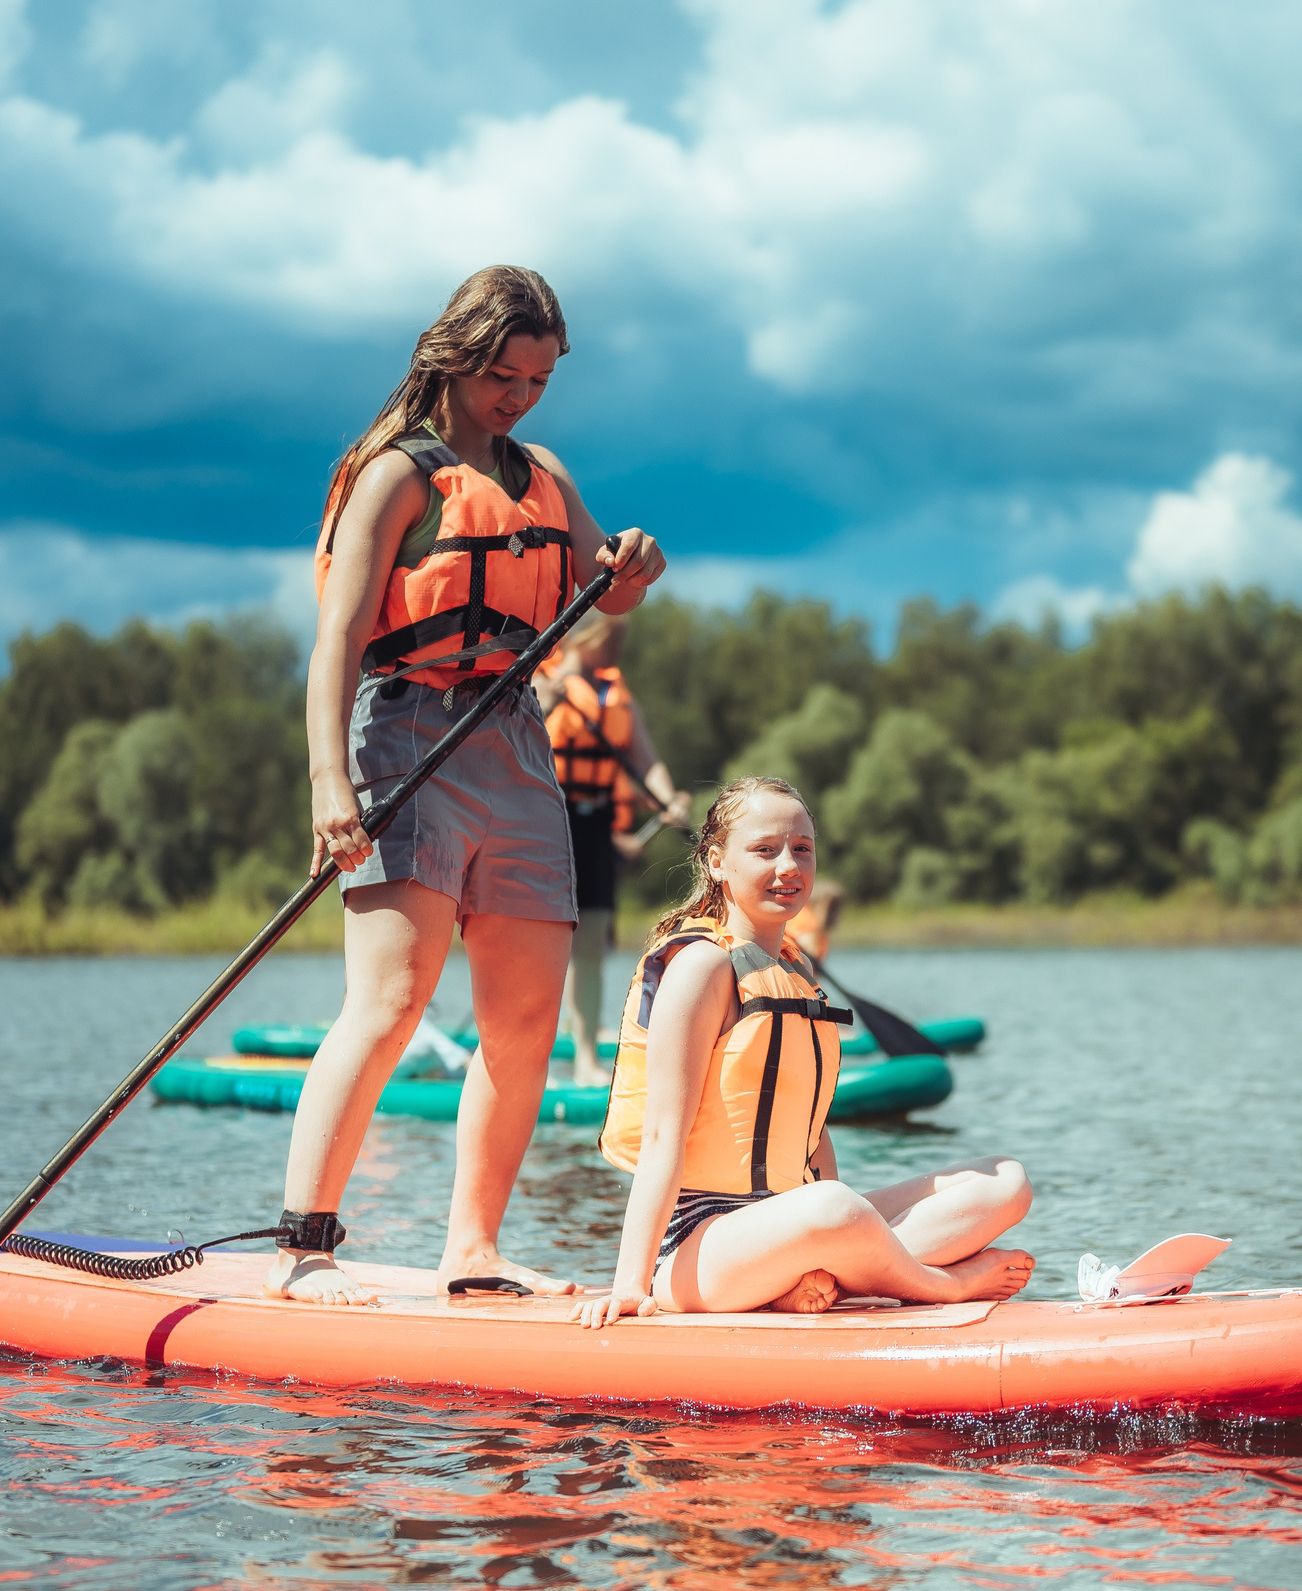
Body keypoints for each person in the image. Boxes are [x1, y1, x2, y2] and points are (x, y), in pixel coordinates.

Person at [282, 265, 667, 1305]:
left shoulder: (543, 474)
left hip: (516, 743)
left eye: (538, 381)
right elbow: (336, 641)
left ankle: (473, 1249)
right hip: (409, 734)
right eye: (504, 376)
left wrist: (634, 562)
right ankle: (303, 1248)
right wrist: (329, 784)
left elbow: (608, 593)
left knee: (525, 1016)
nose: (520, 398)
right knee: (391, 1001)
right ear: (454, 358)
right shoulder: (395, 476)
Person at [572, 777, 1034, 1327]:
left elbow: (814, 1133)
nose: (788, 866)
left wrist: (841, 1223)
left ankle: (821, 1278)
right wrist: (630, 1283)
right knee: (835, 1207)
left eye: (802, 849)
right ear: (717, 862)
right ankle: (942, 1285)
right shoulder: (700, 968)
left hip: (797, 1220)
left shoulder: (796, 970)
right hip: (697, 1243)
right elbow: (660, 1136)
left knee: (1005, 1182)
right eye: (764, 850)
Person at [539, 611, 692, 1087]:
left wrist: (669, 798)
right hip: (547, 818)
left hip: (597, 826)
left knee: (590, 943)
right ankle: (528, 1059)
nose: (616, 649)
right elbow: (509, 737)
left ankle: (586, 1060)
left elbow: (646, 759)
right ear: (584, 634)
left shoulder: (617, 693)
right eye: (611, 637)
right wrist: (547, 699)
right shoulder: (542, 678)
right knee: (543, 945)